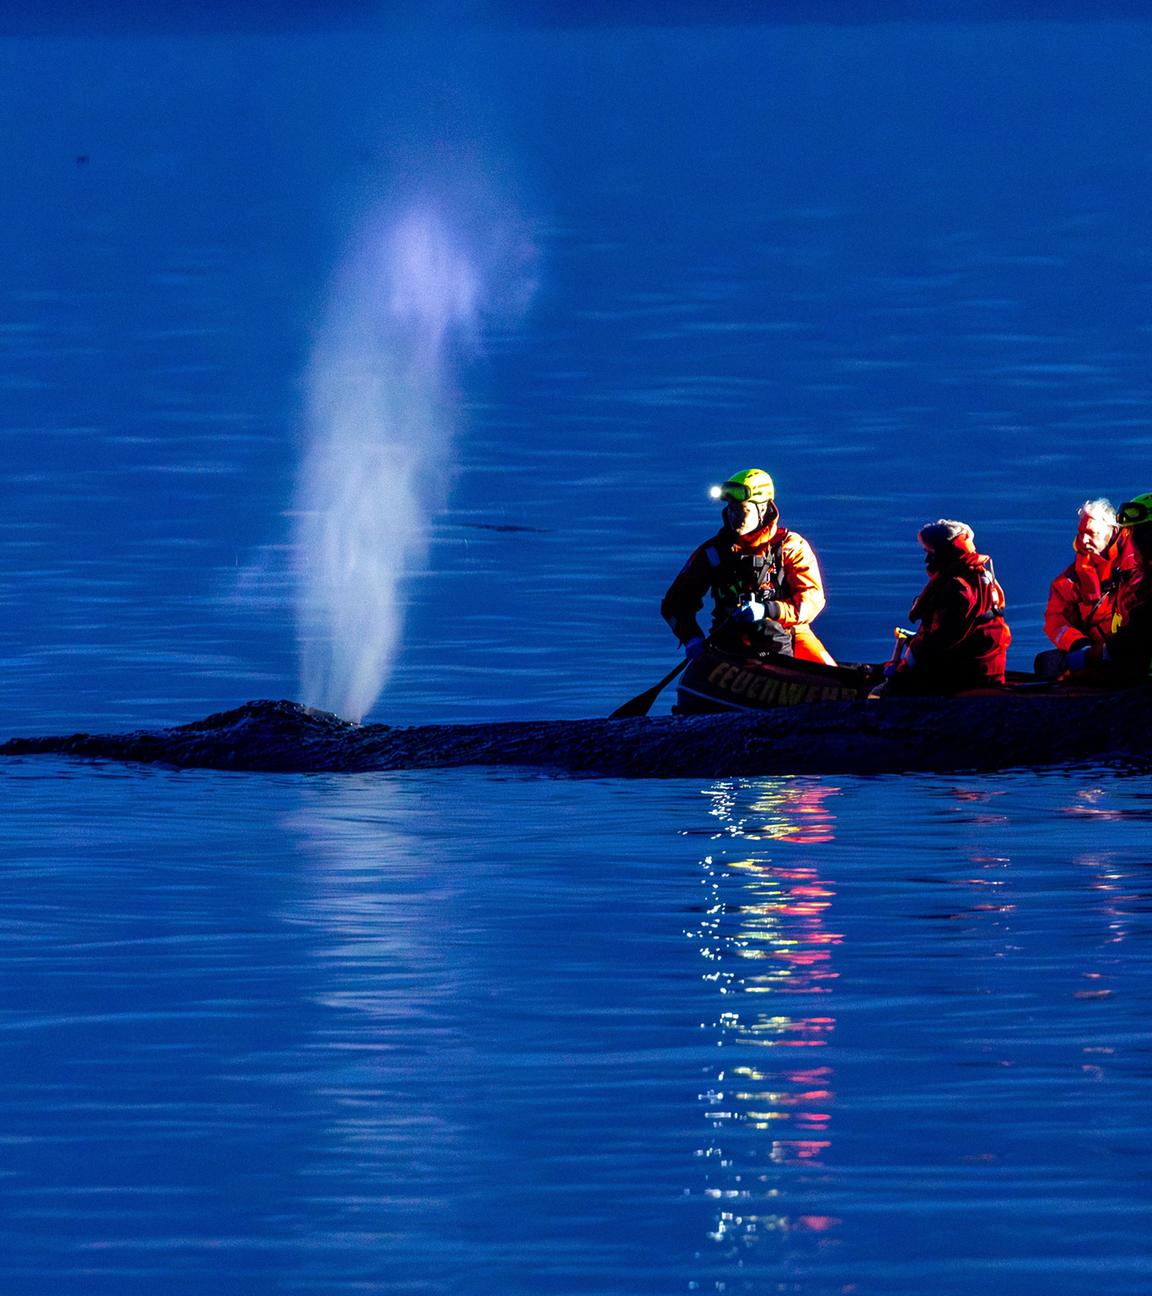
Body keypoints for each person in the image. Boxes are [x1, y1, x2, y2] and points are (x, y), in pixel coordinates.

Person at [660, 467, 834, 664]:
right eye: (731, 508)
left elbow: (811, 601)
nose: (734, 516)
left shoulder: (790, 547)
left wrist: (768, 610)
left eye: (742, 509)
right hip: (728, 640)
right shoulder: (713, 553)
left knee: (832, 674)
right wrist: (692, 639)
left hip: (788, 633)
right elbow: (674, 605)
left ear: (762, 509)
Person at [884, 518, 1011, 694]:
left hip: (965, 675)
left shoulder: (958, 588)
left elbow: (941, 642)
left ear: (946, 553)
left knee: (887, 691)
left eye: (931, 552)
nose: (927, 560)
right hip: (986, 669)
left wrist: (904, 665)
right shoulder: (983, 578)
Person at [1061, 491, 1152, 686]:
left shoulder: (1145, 583)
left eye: (1139, 534)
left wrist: (1086, 657)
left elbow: (1133, 643)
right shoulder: (1132, 577)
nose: (1134, 543)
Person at [1036, 499, 1124, 678]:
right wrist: (1078, 644)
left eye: (1091, 533)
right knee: (1046, 663)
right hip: (1095, 653)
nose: (1083, 540)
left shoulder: (1135, 565)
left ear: (1113, 531)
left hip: (1131, 648)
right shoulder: (1070, 580)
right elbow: (1055, 620)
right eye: (1080, 532)